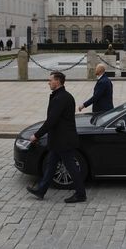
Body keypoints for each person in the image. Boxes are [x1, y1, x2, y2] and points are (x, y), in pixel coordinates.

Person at [27, 71, 87, 203]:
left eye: (50, 80)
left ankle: (81, 194)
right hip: (59, 140)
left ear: (58, 81)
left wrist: (37, 135)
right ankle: (41, 190)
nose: (48, 82)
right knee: (51, 166)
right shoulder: (64, 96)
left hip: (63, 141)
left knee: (71, 167)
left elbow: (51, 121)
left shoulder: (60, 98)